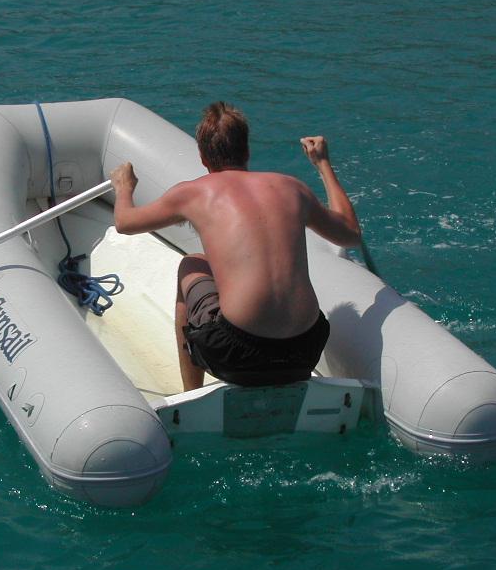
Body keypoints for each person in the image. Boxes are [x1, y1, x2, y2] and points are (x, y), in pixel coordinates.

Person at [110, 101, 362, 391]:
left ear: (203, 157)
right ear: (247, 152)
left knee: (191, 263)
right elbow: (350, 233)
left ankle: (191, 393)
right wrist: (322, 163)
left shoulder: (193, 193)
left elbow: (125, 222)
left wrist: (124, 187)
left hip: (237, 353)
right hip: (305, 350)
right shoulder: (292, 188)